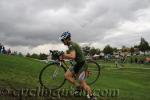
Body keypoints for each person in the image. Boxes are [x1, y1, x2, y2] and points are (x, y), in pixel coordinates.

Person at [59, 32, 97, 100]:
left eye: (63, 40)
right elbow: (72, 56)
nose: (62, 41)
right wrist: (63, 56)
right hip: (78, 64)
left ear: (67, 39)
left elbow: (73, 56)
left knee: (82, 82)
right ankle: (78, 87)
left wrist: (63, 55)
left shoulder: (71, 45)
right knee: (67, 75)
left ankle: (92, 96)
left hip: (82, 65)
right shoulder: (70, 45)